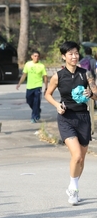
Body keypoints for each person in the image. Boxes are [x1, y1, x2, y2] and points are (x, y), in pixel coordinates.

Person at [45, 41, 96, 206]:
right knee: (77, 155)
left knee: (81, 159)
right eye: (70, 54)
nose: (74, 56)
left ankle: (73, 186)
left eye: (76, 53)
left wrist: (91, 94)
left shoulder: (85, 74)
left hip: (83, 118)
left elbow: (96, 94)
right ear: (64, 56)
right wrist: (57, 105)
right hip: (66, 118)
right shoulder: (58, 76)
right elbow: (48, 94)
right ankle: (74, 190)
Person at [16, 50, 48, 123]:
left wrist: (46, 87)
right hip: (30, 86)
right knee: (29, 100)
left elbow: (45, 77)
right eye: (35, 56)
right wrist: (19, 83)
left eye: (38, 56)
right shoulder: (28, 64)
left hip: (38, 86)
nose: (36, 57)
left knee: (36, 102)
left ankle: (34, 117)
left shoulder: (41, 66)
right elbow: (24, 75)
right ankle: (37, 110)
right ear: (32, 57)